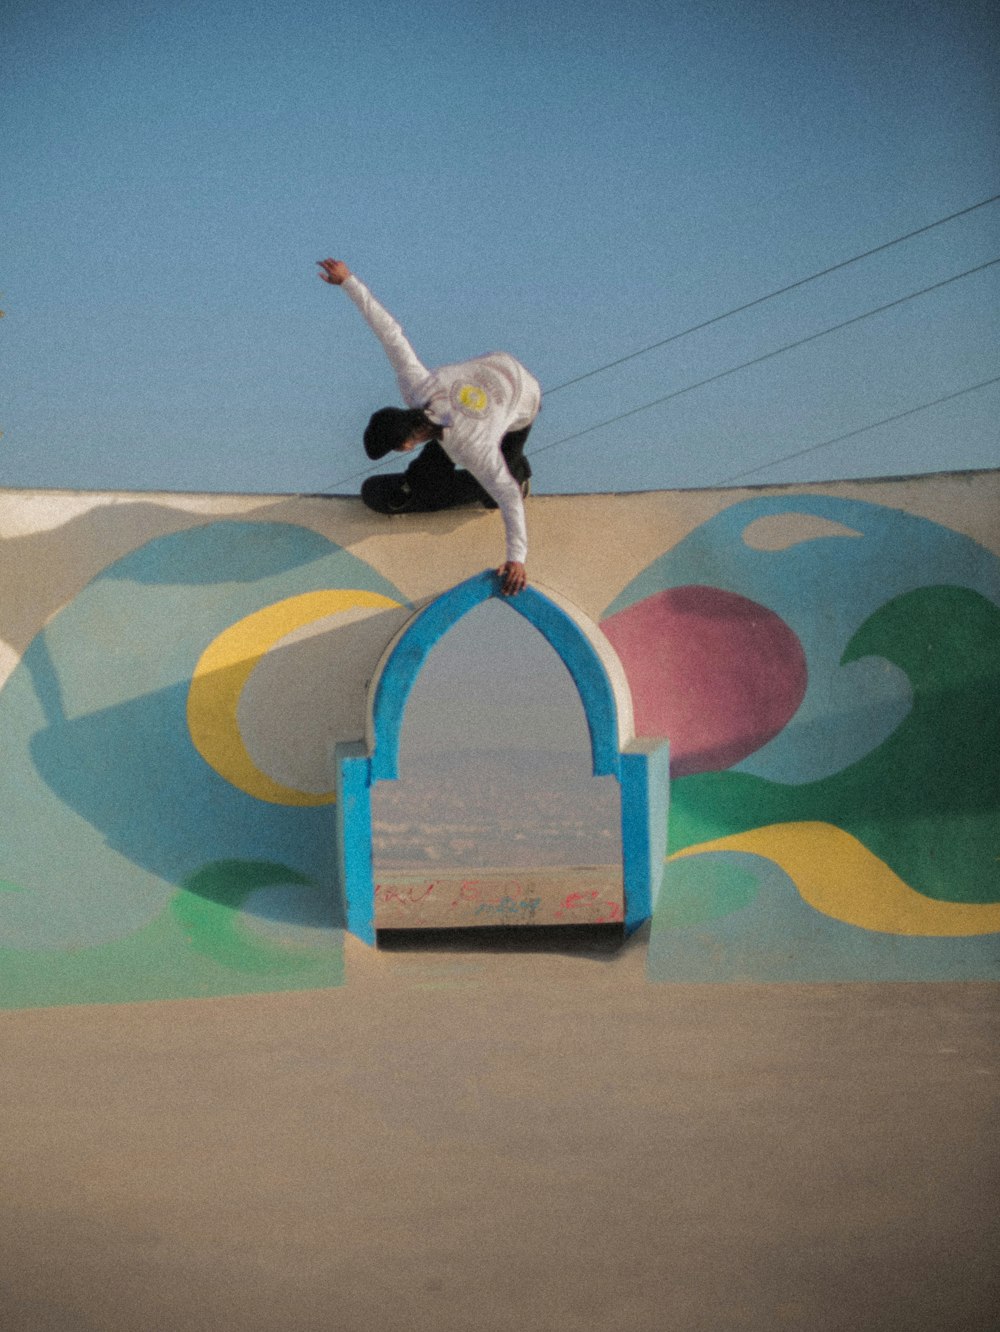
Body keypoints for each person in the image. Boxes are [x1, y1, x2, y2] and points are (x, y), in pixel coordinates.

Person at [317, 258, 541, 596]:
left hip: (523, 401)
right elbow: (391, 335)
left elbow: (508, 497)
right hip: (498, 365)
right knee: (443, 441)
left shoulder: (473, 445)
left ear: (405, 445)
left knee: (499, 482)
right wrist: (349, 281)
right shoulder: (417, 387)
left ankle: (515, 474)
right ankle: (424, 479)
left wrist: (517, 558)